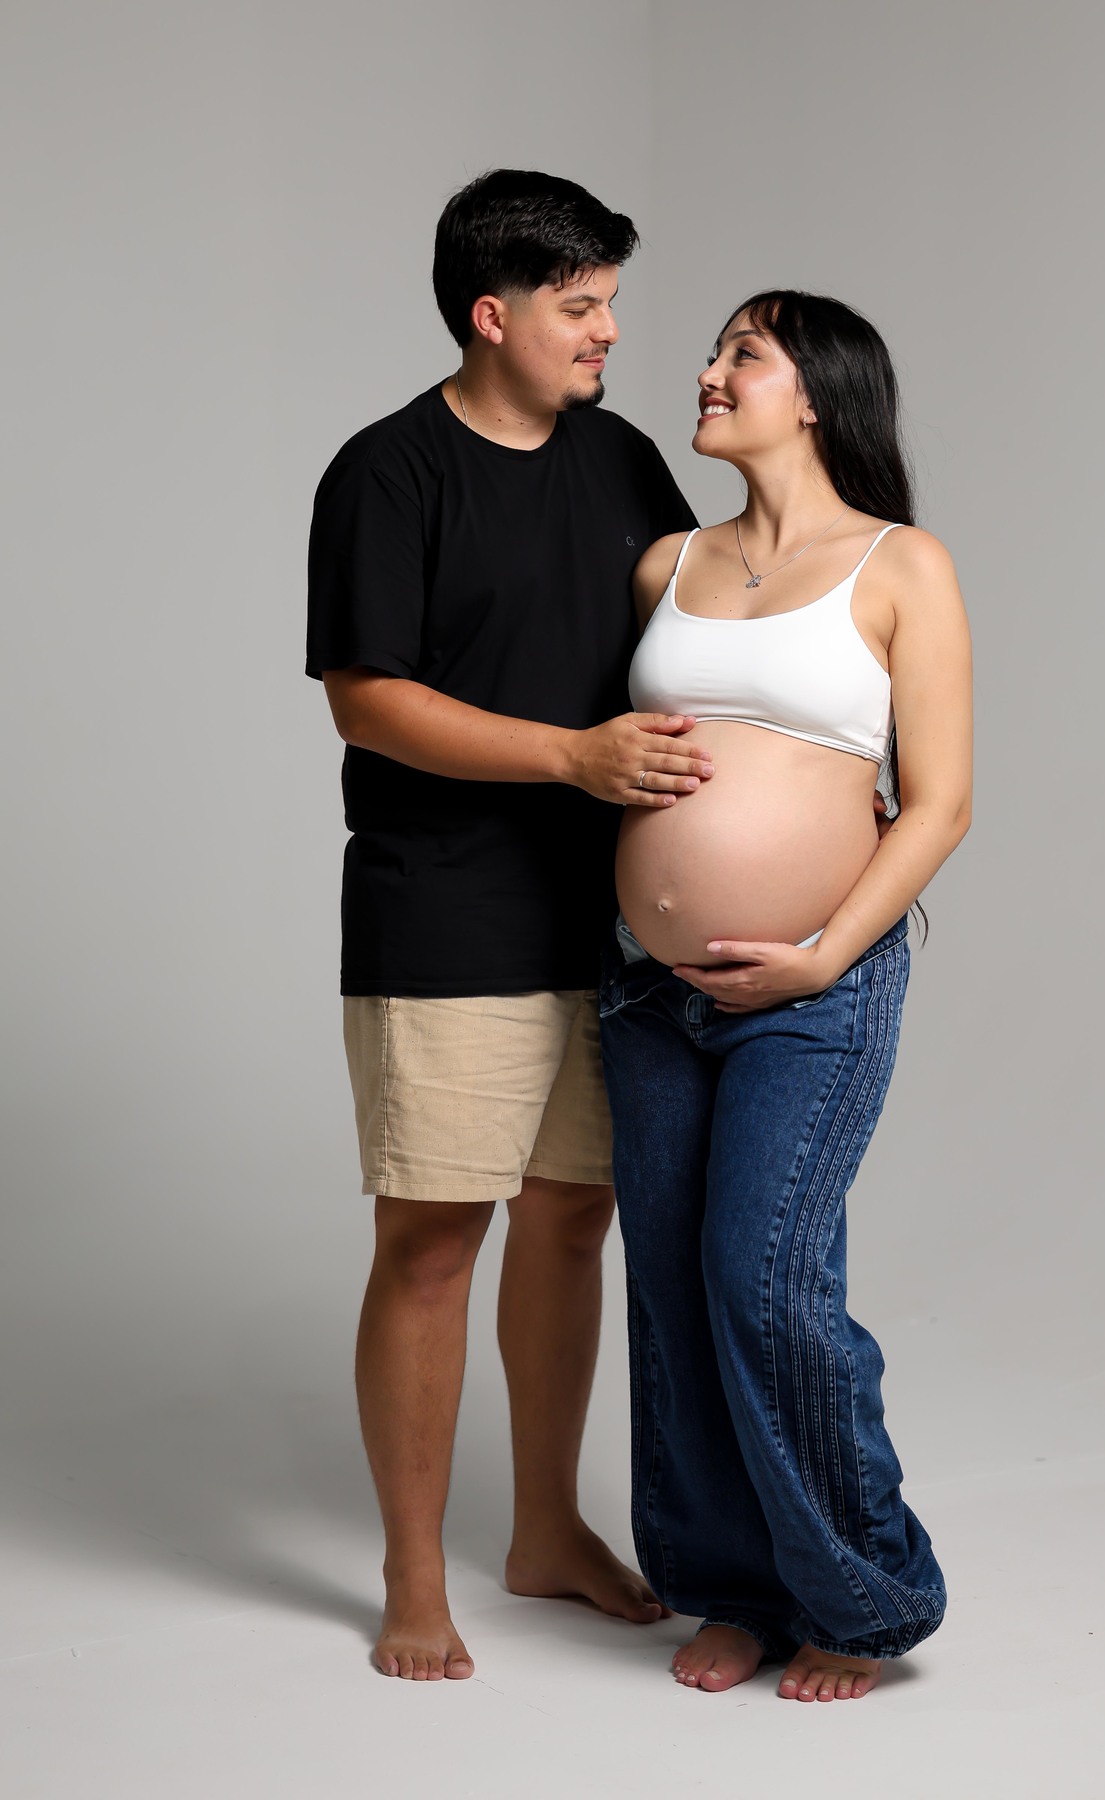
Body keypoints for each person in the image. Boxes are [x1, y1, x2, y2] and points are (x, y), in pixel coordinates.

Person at [305, 169, 707, 1681]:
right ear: (493, 314)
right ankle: (414, 1575)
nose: (609, 332)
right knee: (431, 1241)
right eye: (580, 306)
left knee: (574, 1217)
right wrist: (570, 757)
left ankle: (546, 1529)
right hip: (445, 913)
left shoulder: (624, 459)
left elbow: (698, 618)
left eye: (610, 303)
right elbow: (368, 699)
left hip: (607, 915)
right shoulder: (387, 472)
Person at [599, 289, 973, 1702]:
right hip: (649, 987)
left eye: (740, 356)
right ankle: (733, 1588)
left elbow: (939, 803)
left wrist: (824, 952)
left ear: (813, 390)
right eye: (714, 354)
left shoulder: (900, 565)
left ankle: (859, 1598)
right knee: (673, 1287)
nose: (705, 373)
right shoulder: (667, 563)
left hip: (818, 984)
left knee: (764, 1282)